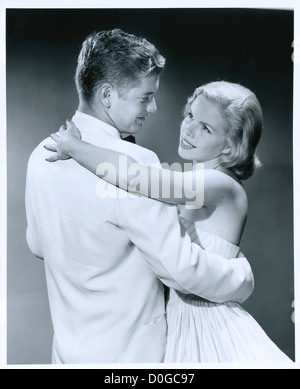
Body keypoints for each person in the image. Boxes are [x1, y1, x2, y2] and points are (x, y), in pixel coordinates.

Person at [25, 29, 254, 364]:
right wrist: (242, 278)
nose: (155, 107)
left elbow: (37, 244)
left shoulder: (39, 154)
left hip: (67, 355)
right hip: (133, 358)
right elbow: (181, 270)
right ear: (107, 95)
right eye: (145, 97)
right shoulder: (138, 164)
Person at [45, 80, 292, 363]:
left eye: (206, 128)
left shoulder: (220, 184)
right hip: (183, 325)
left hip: (211, 331)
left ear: (229, 147)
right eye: (190, 116)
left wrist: (77, 148)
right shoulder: (200, 183)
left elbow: (141, 178)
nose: (189, 129)